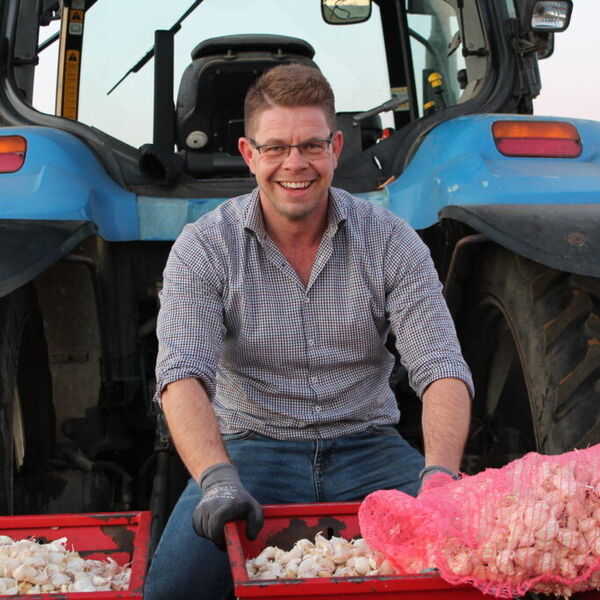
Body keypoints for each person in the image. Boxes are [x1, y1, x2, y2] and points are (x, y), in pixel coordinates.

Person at [144, 63, 473, 600]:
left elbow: (440, 367)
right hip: (252, 447)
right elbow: (182, 376)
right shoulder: (205, 246)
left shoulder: (391, 240)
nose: (294, 164)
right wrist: (216, 478)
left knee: (469, 564)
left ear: (335, 148)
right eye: (275, 147)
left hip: (370, 445)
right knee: (175, 590)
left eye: (311, 146)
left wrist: (439, 477)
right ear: (249, 153)